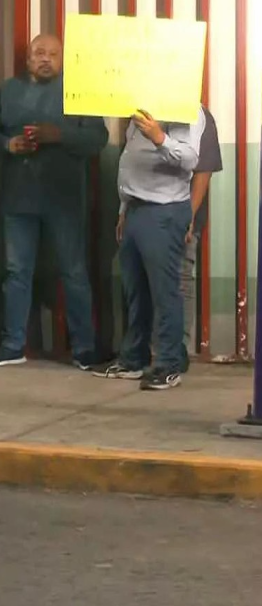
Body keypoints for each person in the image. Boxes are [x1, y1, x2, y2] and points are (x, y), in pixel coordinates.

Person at [0, 34, 110, 369]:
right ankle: (13, 345)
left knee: (73, 272)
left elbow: (98, 138)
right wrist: (8, 144)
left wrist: (59, 135)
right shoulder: (8, 91)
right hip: (17, 198)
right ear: (28, 59)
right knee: (16, 272)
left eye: (53, 53)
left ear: (63, 59)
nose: (46, 58)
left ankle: (84, 348)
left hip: (65, 200)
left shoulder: (79, 92)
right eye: (39, 52)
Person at [95, 108, 204, 391]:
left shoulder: (186, 108)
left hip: (164, 210)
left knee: (165, 292)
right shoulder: (143, 106)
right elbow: (132, 159)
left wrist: (159, 138)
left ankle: (168, 366)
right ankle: (133, 360)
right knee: (136, 292)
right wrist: (124, 209)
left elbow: (190, 159)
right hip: (135, 208)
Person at [181, 105, 221, 354]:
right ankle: (152, 348)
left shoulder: (198, 115)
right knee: (146, 282)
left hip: (183, 213)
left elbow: (203, 172)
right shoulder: (144, 113)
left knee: (180, 278)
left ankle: (177, 348)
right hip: (148, 213)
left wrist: (189, 215)